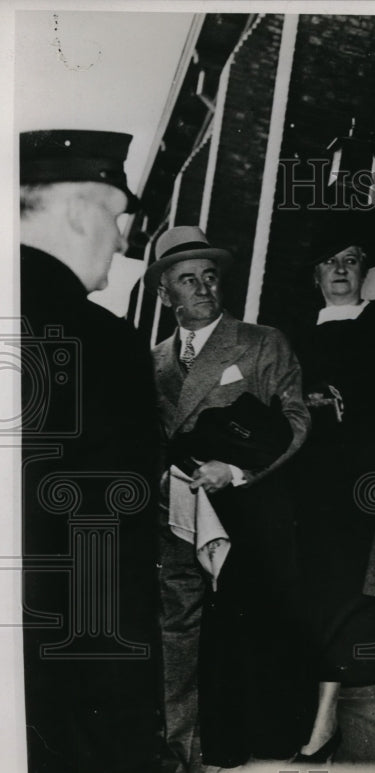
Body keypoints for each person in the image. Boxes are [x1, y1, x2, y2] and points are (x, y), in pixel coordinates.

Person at [19, 129, 161, 773]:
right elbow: (105, 557)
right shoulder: (102, 343)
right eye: (116, 215)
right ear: (77, 209)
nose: (125, 239)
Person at [147, 225, 311, 769]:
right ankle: (181, 746)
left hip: (247, 516)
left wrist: (237, 470)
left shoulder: (262, 342)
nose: (203, 289)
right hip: (177, 519)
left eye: (210, 277)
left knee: (244, 636)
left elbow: (295, 420)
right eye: (187, 280)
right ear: (164, 293)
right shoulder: (153, 361)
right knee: (178, 633)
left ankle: (237, 746)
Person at [286, 216, 375, 763]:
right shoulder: (290, 338)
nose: (340, 269)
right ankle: (301, 709)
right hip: (302, 488)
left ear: (364, 272)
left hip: (357, 487)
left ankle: (325, 718)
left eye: (351, 260)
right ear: (315, 274)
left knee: (340, 594)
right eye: (330, 261)